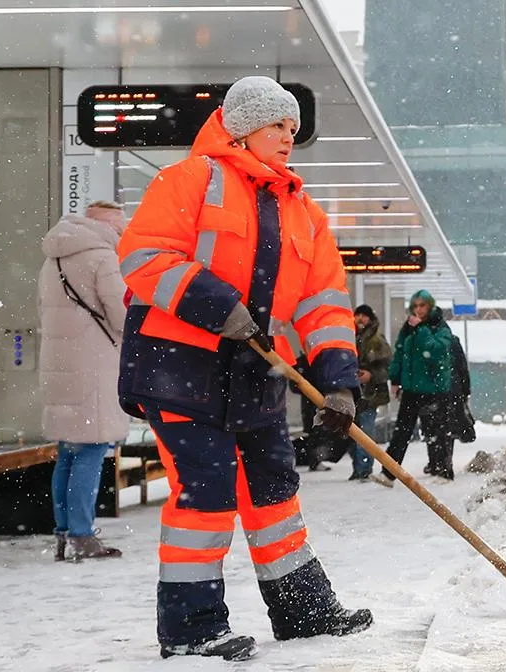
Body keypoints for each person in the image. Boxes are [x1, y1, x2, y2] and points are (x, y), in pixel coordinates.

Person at [117, 76, 371, 661]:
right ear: (243, 126)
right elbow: (143, 255)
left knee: (273, 490)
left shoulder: (304, 213)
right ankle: (191, 628)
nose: (288, 137)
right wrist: (215, 304)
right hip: (179, 366)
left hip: (255, 376)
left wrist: (338, 383)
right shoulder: (189, 181)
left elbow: (324, 305)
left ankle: (304, 612)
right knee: (205, 489)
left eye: (292, 128)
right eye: (277, 125)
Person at [38, 200, 129, 562]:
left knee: (69, 453)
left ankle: (64, 533)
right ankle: (81, 535)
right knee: (91, 450)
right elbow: (120, 313)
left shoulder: (52, 258)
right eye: (119, 227)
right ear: (105, 226)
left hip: (58, 363)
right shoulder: (102, 257)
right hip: (94, 364)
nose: (122, 233)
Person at [372, 290, 454, 487]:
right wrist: (394, 379)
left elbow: (437, 350)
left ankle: (444, 470)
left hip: (433, 388)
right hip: (411, 388)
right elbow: (400, 353)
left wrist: (421, 330)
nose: (419, 310)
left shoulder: (439, 326)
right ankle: (389, 473)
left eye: (422, 305)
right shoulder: (408, 328)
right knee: (402, 431)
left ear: (430, 306)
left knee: (436, 429)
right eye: (415, 306)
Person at [349, 304, 392, 481]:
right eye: (357, 315)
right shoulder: (349, 337)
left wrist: (371, 375)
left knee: (365, 431)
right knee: (355, 432)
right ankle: (360, 467)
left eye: (363, 316)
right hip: (352, 393)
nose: (360, 319)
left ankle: (364, 468)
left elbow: (387, 366)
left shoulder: (376, 340)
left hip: (369, 394)